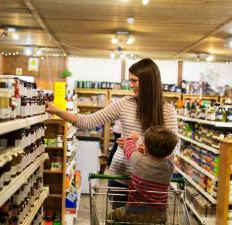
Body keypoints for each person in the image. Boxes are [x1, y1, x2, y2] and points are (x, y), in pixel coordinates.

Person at [45, 58, 178, 206]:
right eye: (130, 81)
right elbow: (88, 122)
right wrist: (56, 110)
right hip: (120, 178)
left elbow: (171, 152)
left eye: (134, 81)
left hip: (149, 182)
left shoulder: (167, 111)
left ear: (148, 82)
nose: (131, 85)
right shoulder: (124, 104)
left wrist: (134, 147)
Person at [106, 127, 178, 223]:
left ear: (146, 145)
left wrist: (132, 137)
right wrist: (147, 152)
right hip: (159, 215)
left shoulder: (138, 160)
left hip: (134, 213)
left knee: (111, 216)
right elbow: (159, 160)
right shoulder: (170, 166)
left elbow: (128, 146)